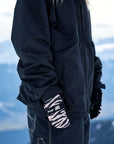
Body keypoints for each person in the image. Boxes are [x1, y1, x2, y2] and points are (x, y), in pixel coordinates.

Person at [11, 0, 106, 144]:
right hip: (53, 112)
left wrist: (94, 86)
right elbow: (30, 50)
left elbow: (85, 46)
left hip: (79, 110)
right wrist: (50, 98)